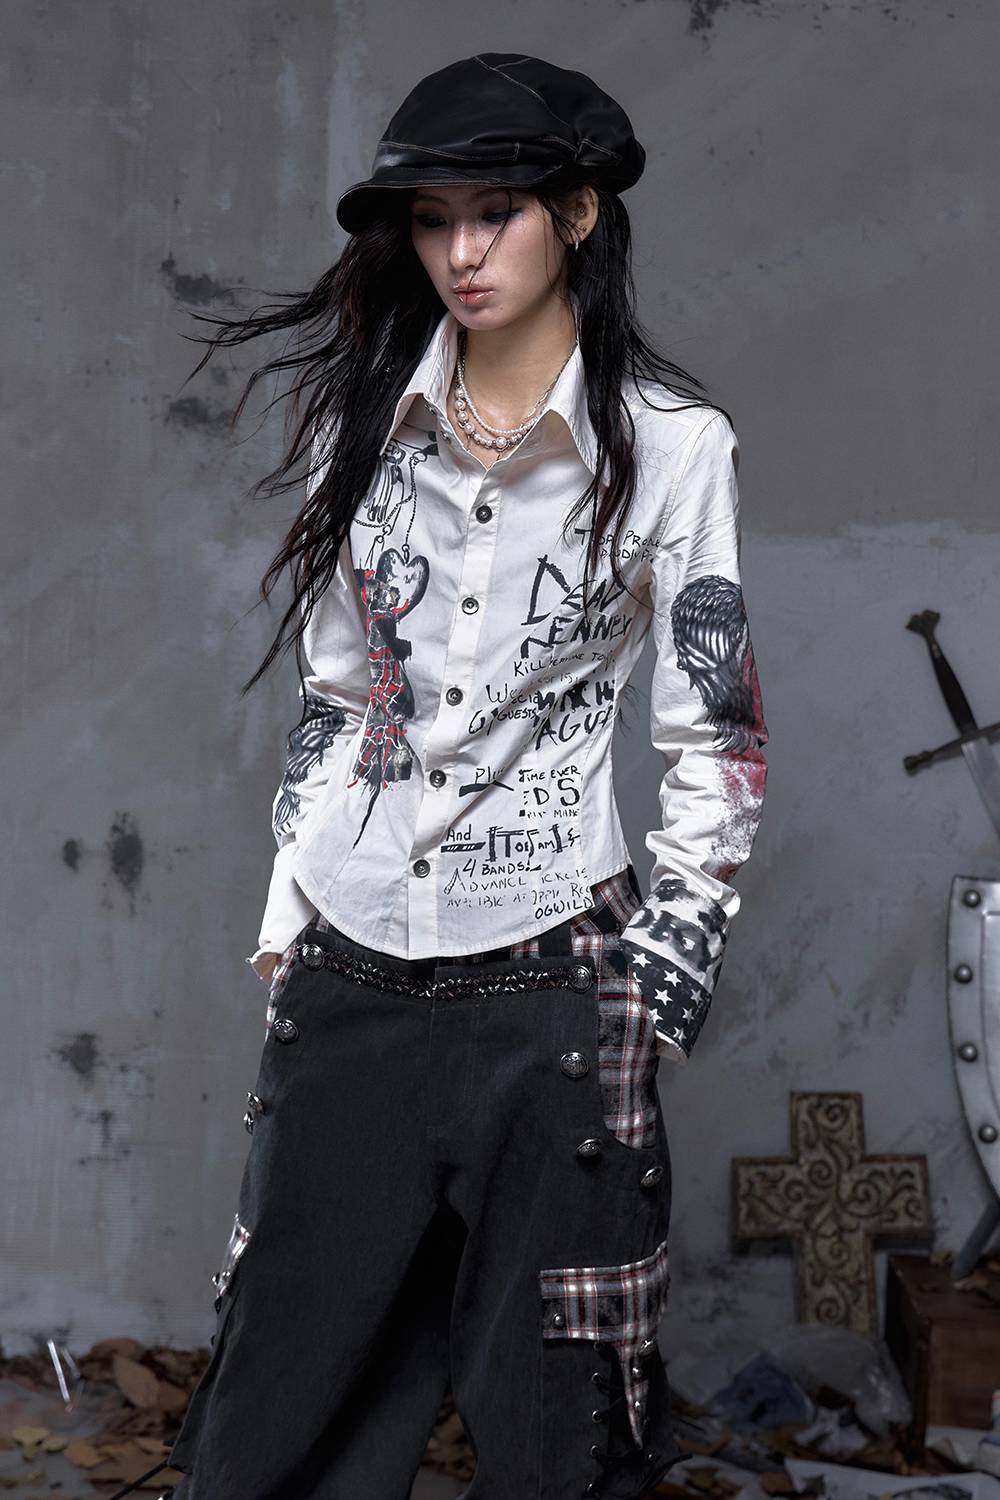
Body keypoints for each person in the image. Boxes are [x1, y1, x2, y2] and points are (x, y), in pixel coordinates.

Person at [138, 50, 768, 1500]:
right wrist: (290, 923)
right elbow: (340, 690)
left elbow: (714, 733)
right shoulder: (361, 426)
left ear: (579, 214)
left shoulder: (671, 449)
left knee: (561, 1443)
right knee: (275, 1432)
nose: (462, 253)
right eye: (432, 221)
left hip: (555, 992)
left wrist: (662, 977)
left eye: (497, 214)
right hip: (350, 972)